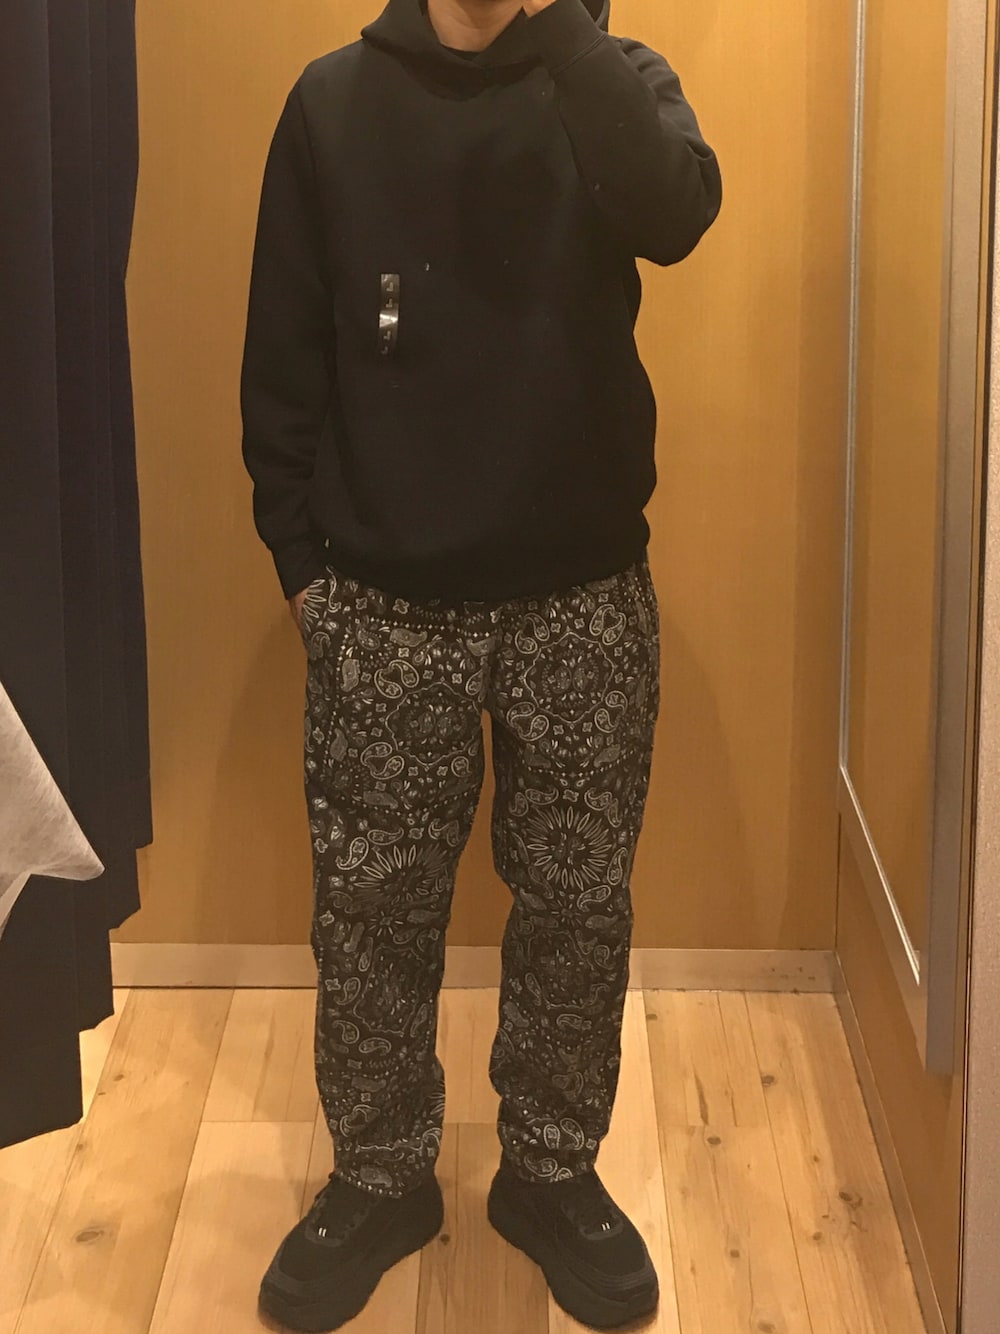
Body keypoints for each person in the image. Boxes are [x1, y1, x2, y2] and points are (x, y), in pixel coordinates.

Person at [240, 0, 721, 1327]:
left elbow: (676, 213)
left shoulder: (614, 79)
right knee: (371, 911)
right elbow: (282, 356)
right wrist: (305, 570)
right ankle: (381, 1173)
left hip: (584, 595)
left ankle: (552, 1170)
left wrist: (567, 32)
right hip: (384, 604)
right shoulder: (332, 103)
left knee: (578, 902)